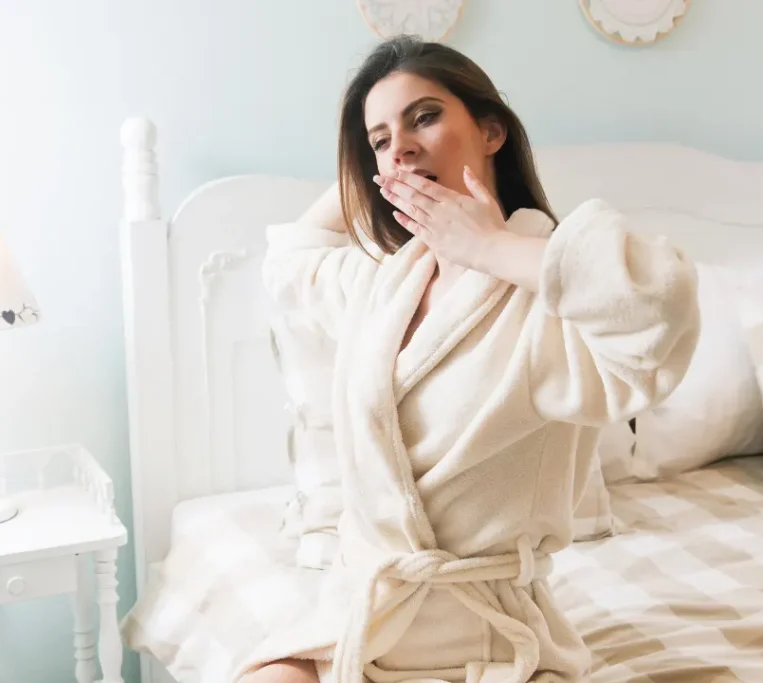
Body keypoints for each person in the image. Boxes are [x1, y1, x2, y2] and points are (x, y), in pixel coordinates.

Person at [244, 36, 700, 683]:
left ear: (491, 132)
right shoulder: (384, 282)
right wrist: (378, 165)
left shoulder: (549, 295)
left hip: (492, 645)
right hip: (358, 621)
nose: (401, 146)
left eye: (425, 117)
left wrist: (490, 247)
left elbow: (658, 302)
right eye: (381, 138)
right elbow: (290, 260)